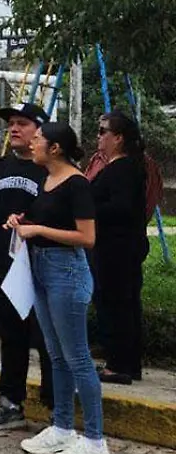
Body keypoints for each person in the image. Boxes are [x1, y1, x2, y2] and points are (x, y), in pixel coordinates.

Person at [10, 122, 115, 454]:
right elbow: (47, 216)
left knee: (78, 358)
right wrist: (22, 220)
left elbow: (86, 237)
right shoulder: (47, 180)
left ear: (55, 148)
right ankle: (63, 427)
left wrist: (38, 229)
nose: (32, 144)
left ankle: (97, 443)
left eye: (38, 140)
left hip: (65, 273)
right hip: (40, 269)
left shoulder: (77, 183)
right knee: (55, 355)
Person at [0, 102, 54, 430]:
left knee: (48, 340)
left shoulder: (53, 171)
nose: (14, 129)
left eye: (23, 123)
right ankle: (11, 403)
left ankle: (55, 410)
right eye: (11, 124)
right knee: (11, 337)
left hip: (43, 267)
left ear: (40, 131)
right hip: (3, 268)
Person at [88, 111, 149, 385]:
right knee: (123, 304)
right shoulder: (125, 167)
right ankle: (126, 362)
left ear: (119, 138)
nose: (98, 137)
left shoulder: (121, 168)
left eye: (103, 132)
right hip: (119, 246)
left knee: (116, 304)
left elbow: (121, 207)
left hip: (117, 248)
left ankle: (119, 365)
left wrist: (89, 209)